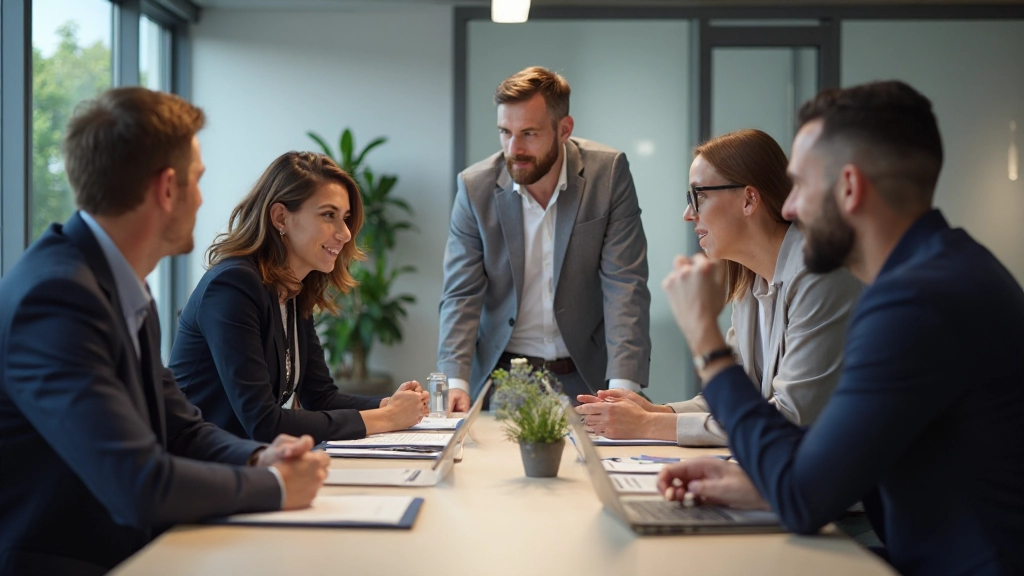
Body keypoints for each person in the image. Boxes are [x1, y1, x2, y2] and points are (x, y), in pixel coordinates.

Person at [658, 81, 1024, 576]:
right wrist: (753, 483)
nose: (788, 208)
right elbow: (832, 471)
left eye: (802, 186)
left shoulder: (912, 304)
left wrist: (705, 338)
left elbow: (803, 498)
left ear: (849, 188)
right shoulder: (943, 270)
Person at [0, 87, 329, 576]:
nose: (201, 197)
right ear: (167, 188)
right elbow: (138, 484)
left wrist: (262, 456)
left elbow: (182, 427)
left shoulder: (117, 282)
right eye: (197, 181)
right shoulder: (57, 298)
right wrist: (277, 487)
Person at [575, 129, 861, 446]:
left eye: (699, 196)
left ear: (749, 199)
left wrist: (650, 425)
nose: (688, 214)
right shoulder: (750, 278)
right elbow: (737, 396)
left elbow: (790, 416)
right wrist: (661, 411)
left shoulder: (818, 272)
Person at [170, 151, 428, 444]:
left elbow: (320, 396)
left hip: (248, 464)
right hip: (198, 468)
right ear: (281, 217)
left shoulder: (292, 289)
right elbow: (264, 422)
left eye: (345, 218)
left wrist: (389, 406)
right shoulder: (232, 285)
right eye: (329, 215)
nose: (345, 233)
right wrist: (386, 419)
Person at [438, 66, 652, 411]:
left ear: (564, 129)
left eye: (529, 134)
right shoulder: (474, 187)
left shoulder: (607, 174)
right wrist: (455, 382)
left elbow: (625, 284)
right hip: (504, 375)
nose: (514, 148)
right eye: (505, 132)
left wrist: (623, 387)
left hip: (584, 374)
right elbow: (461, 293)